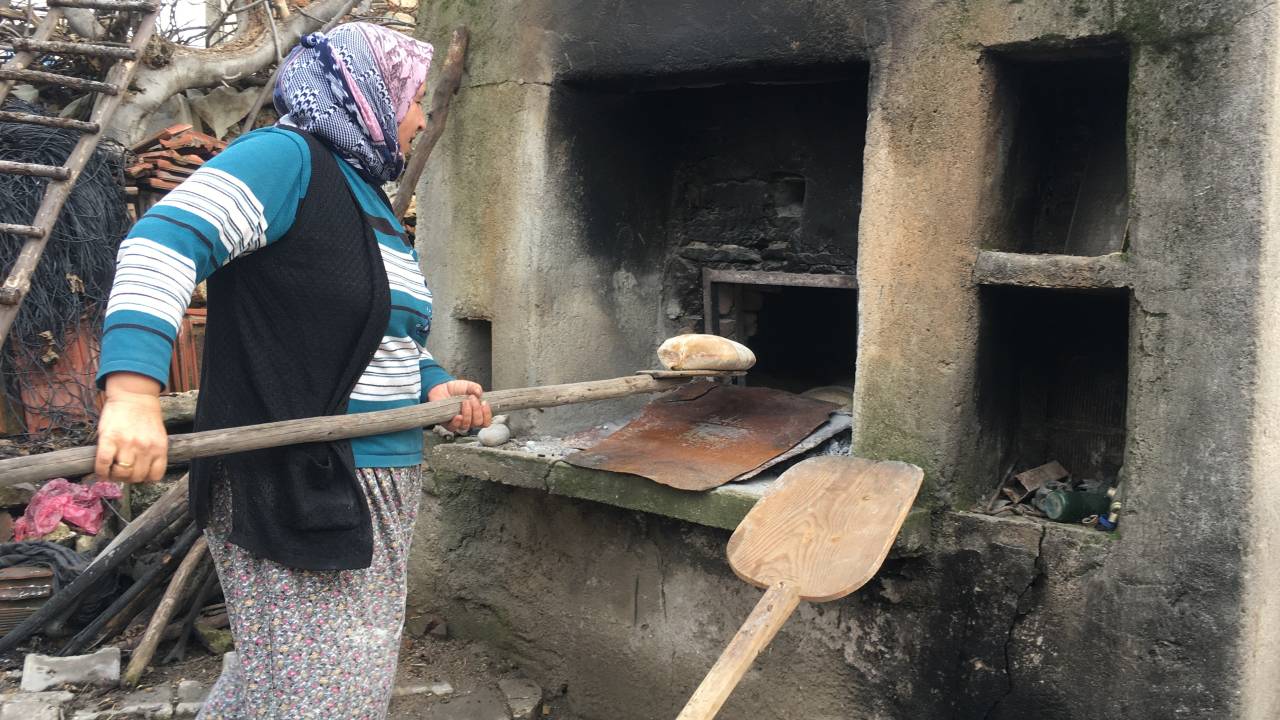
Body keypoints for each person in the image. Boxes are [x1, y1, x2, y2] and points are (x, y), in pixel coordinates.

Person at [93, 22, 491, 719]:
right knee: (325, 701)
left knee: (285, 687)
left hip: (375, 479)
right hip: (302, 478)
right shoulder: (286, 160)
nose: (423, 116)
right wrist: (132, 392)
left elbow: (372, 331)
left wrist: (434, 386)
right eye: (413, 97)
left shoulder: (367, 199)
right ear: (368, 90)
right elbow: (161, 240)